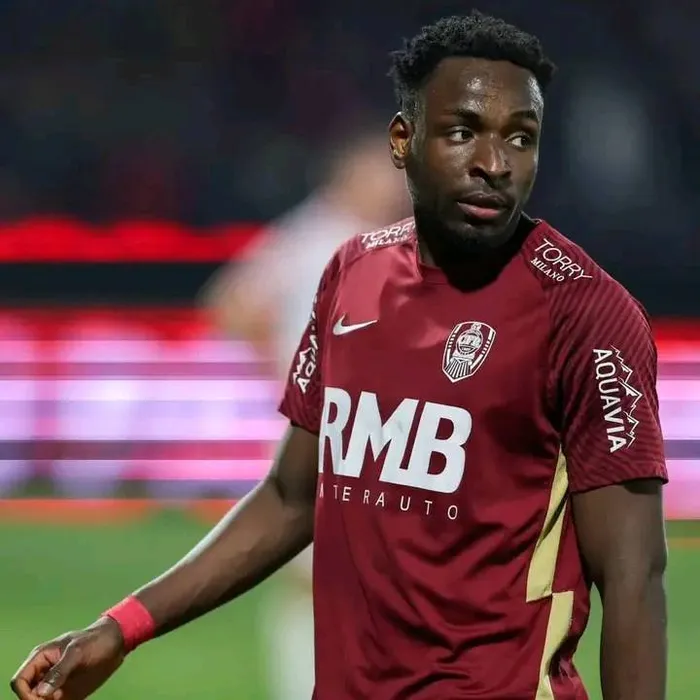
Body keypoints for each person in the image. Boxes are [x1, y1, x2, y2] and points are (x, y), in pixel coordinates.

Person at [10, 12, 668, 700]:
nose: (494, 163)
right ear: (402, 141)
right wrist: (120, 628)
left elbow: (634, 576)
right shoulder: (353, 272)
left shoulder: (587, 315)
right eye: (462, 132)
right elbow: (292, 496)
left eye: (520, 138)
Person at [201, 125, 406, 700]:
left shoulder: (394, 238)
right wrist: (288, 370)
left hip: (381, 430)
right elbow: (230, 303)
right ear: (349, 172)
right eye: (385, 171)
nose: (395, 185)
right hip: (319, 430)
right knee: (313, 572)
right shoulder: (313, 235)